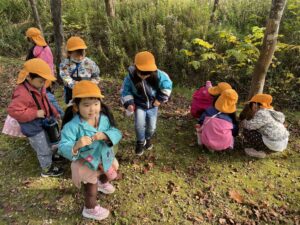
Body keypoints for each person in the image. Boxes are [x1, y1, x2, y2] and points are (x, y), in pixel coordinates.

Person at [58, 80, 122, 221]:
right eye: (86, 105)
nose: (92, 109)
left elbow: (116, 132)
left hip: (104, 156)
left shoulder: (104, 119)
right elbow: (62, 146)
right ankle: (90, 208)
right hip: (87, 162)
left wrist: (106, 135)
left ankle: (103, 183)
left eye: (96, 104)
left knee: (110, 169)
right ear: (76, 107)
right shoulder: (73, 126)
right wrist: (75, 146)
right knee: (90, 187)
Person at [7, 58, 63, 177]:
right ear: (28, 77)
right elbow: (13, 111)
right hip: (33, 128)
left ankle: (51, 156)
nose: (43, 84)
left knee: (49, 141)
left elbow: (46, 101)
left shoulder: (38, 86)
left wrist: (55, 112)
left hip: (43, 122)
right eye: (40, 81)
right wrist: (35, 113)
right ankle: (47, 169)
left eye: (44, 81)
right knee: (42, 148)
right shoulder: (22, 93)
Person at [120, 51, 172, 156]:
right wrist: (129, 103)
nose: (144, 76)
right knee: (139, 125)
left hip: (153, 105)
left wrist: (160, 99)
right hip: (139, 104)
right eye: (141, 73)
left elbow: (167, 86)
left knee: (151, 127)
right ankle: (140, 142)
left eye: (147, 73)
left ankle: (147, 139)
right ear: (136, 68)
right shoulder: (130, 77)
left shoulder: (159, 75)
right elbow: (125, 91)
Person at [240, 94, 289, 158]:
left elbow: (250, 125)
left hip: (273, 144)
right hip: (283, 143)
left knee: (247, 131)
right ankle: (269, 150)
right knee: (258, 131)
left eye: (251, 104)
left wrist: (242, 122)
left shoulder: (262, 113)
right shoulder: (273, 112)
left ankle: (258, 152)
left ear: (255, 104)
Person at [59, 36, 100, 104]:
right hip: (72, 91)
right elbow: (65, 76)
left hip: (88, 90)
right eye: (76, 55)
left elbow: (96, 75)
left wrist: (93, 82)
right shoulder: (65, 64)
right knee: (73, 108)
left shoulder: (89, 63)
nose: (80, 58)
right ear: (69, 53)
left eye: (82, 54)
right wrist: (74, 84)